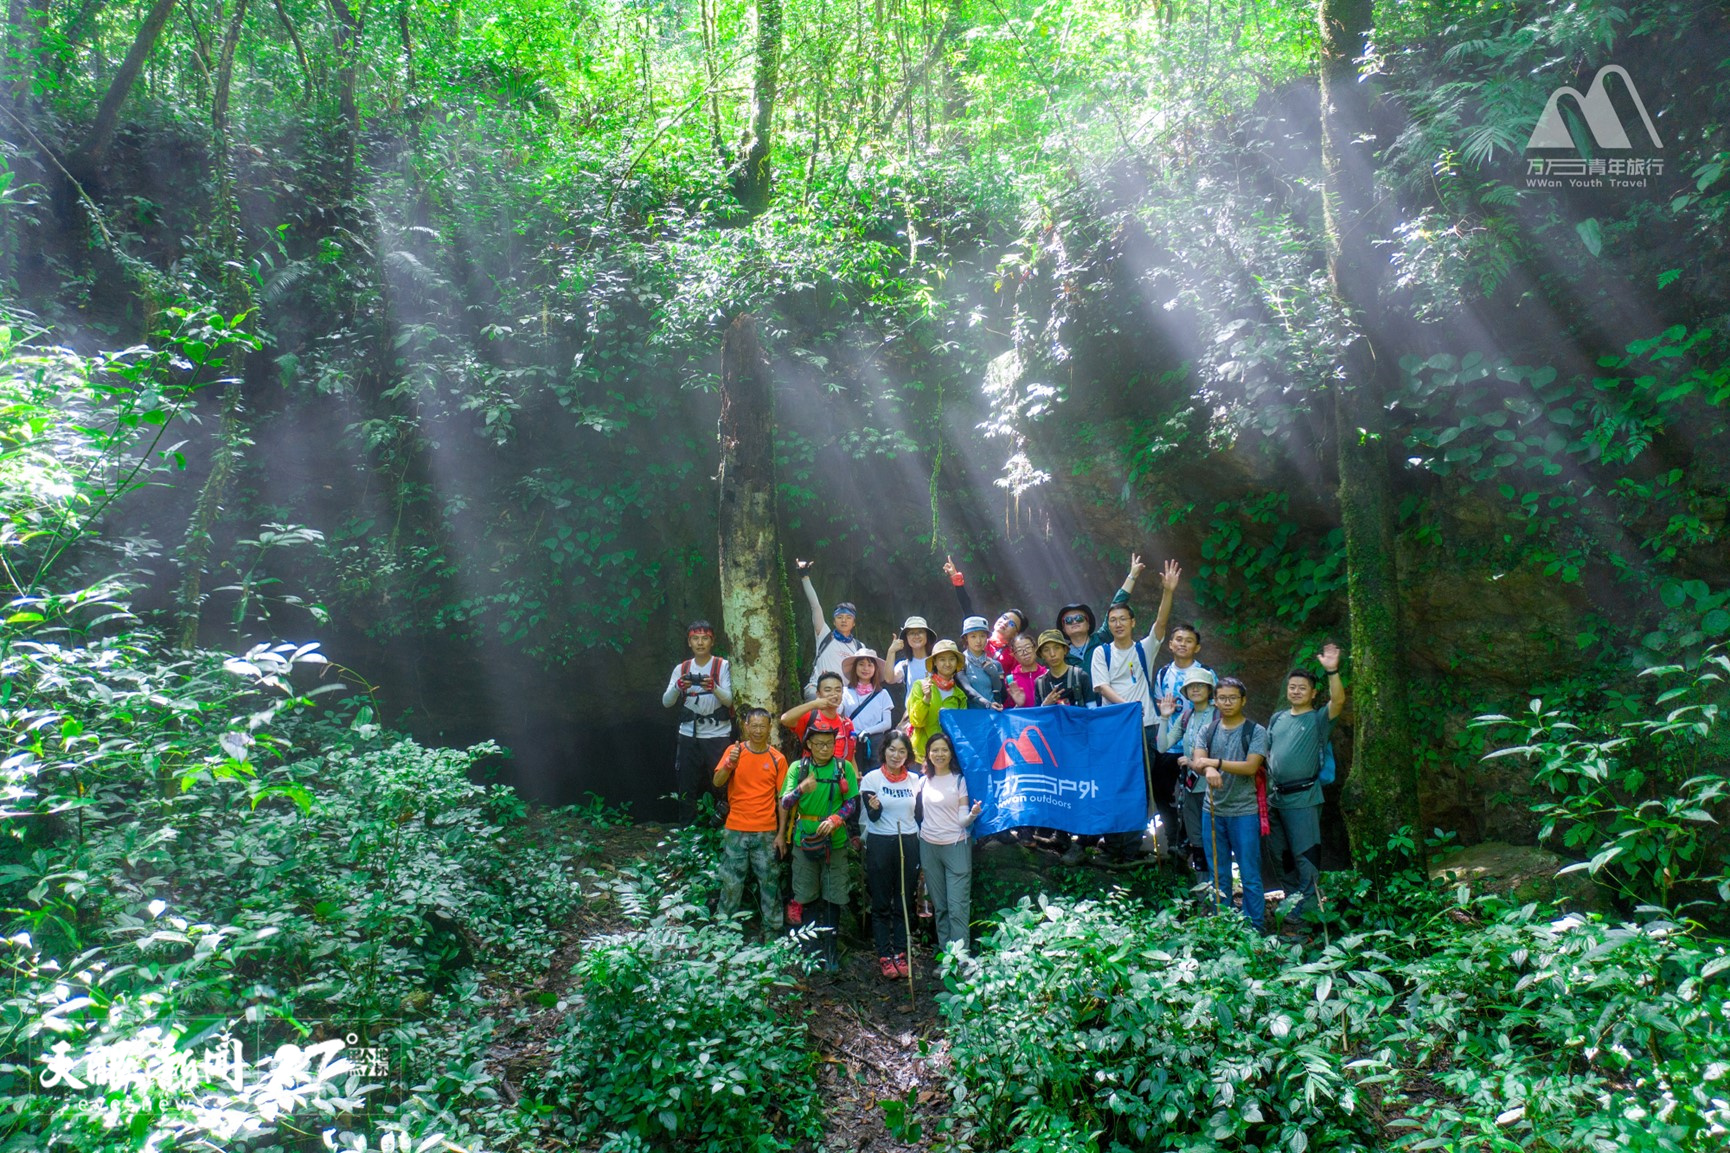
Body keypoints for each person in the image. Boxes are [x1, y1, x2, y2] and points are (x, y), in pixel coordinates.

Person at [1265, 644, 1345, 934]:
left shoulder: (1317, 720)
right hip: (1276, 800)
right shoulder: (1277, 719)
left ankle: (1308, 916)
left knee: (1305, 857)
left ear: (1313, 693)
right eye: (1292, 687)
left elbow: (1337, 702)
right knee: (1280, 855)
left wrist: (1332, 670)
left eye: (1302, 688)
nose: (1296, 691)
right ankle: (1292, 905)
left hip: (1304, 798)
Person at [779, 727, 860, 971]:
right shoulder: (798, 768)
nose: (825, 748)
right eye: (819, 744)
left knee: (834, 895)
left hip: (834, 842)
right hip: (805, 840)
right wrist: (801, 788)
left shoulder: (843, 768)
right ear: (810, 745)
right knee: (806, 895)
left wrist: (836, 820)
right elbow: (785, 801)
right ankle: (810, 949)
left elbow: (852, 803)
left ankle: (832, 948)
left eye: (829, 743)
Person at [1194, 677, 1270, 932]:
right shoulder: (1208, 729)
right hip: (1213, 811)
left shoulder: (1255, 731)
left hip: (1244, 812)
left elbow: (1251, 766)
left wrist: (1215, 764)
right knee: (1219, 874)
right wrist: (1207, 767)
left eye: (1232, 698)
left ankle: (1255, 928)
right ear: (1215, 700)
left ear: (1243, 700)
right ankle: (1222, 926)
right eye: (1222, 698)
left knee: (1250, 874)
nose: (1226, 703)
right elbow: (1197, 761)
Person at [713, 707, 790, 933]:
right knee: (731, 883)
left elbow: (783, 799)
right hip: (735, 829)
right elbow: (717, 782)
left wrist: (781, 834)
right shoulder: (734, 751)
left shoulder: (778, 759)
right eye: (753, 726)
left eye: (762, 726)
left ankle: (772, 935)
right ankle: (724, 935)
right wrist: (730, 763)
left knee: (770, 884)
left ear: (769, 728)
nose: (757, 730)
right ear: (746, 726)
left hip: (766, 831)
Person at [860, 732, 922, 979]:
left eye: (902, 751)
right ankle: (884, 955)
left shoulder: (915, 780)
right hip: (881, 842)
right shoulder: (872, 779)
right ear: (884, 750)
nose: (896, 756)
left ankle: (900, 952)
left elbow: (918, 816)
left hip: (908, 842)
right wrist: (874, 808)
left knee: (904, 900)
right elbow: (872, 817)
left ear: (908, 755)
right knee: (882, 901)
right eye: (892, 750)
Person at [1149, 622, 1214, 857]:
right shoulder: (1164, 673)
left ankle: (1190, 839)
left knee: (1195, 795)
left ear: (1197, 647)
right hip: (1172, 742)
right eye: (1178, 639)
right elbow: (1159, 704)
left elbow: (1214, 707)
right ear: (1170, 644)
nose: (1183, 644)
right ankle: (1173, 836)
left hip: (1199, 747)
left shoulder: (1206, 672)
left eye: (1188, 640)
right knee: (1161, 790)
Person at [661, 620, 735, 823]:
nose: (700, 643)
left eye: (705, 638)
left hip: (717, 733)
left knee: (722, 782)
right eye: (695, 638)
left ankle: (723, 827)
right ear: (689, 642)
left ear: (712, 641)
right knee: (686, 784)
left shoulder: (722, 666)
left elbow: (729, 700)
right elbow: (667, 702)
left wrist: (714, 687)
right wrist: (678, 686)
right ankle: (688, 831)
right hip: (688, 733)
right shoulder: (682, 668)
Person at [916, 732, 981, 956]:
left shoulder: (959, 780)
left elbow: (962, 820)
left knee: (957, 907)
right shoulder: (923, 781)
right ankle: (947, 957)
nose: (939, 754)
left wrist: (972, 814)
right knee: (940, 906)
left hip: (956, 846)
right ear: (928, 754)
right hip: (929, 846)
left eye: (944, 749)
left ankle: (962, 957)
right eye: (934, 750)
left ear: (951, 753)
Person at [1156, 668, 1218, 872]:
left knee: (1216, 838)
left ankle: (1220, 891)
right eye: (1191, 686)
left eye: (1200, 685)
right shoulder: (1186, 717)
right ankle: (1204, 896)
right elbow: (1162, 747)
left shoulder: (1219, 713)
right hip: (1192, 789)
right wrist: (1164, 718)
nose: (1196, 689)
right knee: (1197, 839)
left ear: (1210, 689)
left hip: (1216, 787)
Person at [1057, 553, 1152, 681]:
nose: (1074, 622)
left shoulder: (1101, 639)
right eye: (1068, 620)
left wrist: (1133, 575)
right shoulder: (1062, 655)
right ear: (1063, 628)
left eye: (1079, 618)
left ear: (1088, 623)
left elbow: (1116, 606)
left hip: (1109, 699)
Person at [796, 558, 863, 700]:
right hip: (817, 689)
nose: (844, 620)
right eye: (840, 617)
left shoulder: (859, 647)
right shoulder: (824, 635)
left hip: (843, 695)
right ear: (833, 621)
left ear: (854, 623)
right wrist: (805, 577)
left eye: (848, 617)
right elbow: (815, 606)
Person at [907, 639, 969, 760]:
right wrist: (926, 699)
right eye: (942, 659)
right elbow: (916, 722)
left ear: (957, 663)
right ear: (934, 662)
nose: (947, 664)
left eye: (951, 659)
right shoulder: (920, 686)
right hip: (922, 757)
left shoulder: (960, 695)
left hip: (946, 758)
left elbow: (960, 729)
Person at [781, 672, 859, 766]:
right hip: (812, 777)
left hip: (839, 777)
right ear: (818, 694)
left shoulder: (846, 723)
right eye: (828, 690)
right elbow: (785, 719)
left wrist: (855, 775)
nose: (833, 694)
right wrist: (814, 704)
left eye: (838, 690)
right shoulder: (810, 717)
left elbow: (850, 756)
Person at [841, 649, 894, 767]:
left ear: (875, 669)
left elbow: (887, 723)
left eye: (870, 665)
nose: (866, 668)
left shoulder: (882, 694)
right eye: (861, 664)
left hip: (875, 743)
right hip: (851, 742)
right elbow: (839, 714)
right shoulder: (844, 692)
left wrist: (867, 731)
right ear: (855, 667)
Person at [956, 616, 1006, 710]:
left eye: (982, 636)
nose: (978, 641)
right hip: (971, 717)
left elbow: (1002, 696)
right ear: (966, 638)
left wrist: (994, 676)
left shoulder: (996, 665)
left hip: (992, 716)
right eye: (973, 636)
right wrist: (987, 704)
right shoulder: (960, 663)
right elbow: (966, 689)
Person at [1034, 630, 1092, 707]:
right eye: (1046, 650)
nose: (1052, 654)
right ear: (1042, 655)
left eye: (1056, 648)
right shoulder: (1040, 684)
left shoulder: (1080, 676)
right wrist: (1045, 705)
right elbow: (1038, 717)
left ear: (1065, 650)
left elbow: (1092, 711)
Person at [883, 616, 936, 688]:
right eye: (912, 633)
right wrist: (891, 651)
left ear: (927, 635)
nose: (916, 636)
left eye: (920, 632)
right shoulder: (904, 665)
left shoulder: (937, 661)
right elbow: (889, 679)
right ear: (906, 638)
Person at [1002, 634, 1046, 708]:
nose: (1025, 653)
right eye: (1019, 650)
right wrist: (1018, 705)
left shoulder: (1046, 674)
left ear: (1035, 648)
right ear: (1014, 655)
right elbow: (1007, 710)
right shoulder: (1010, 680)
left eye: (1028, 647)